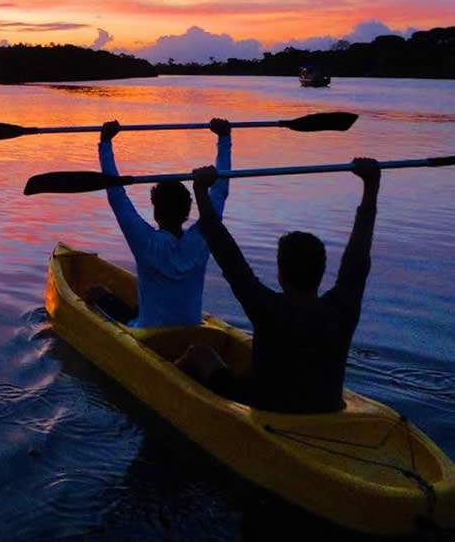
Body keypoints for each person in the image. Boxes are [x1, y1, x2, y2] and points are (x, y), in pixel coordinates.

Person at [177, 157, 382, 413]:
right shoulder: (342, 308)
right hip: (326, 408)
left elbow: (226, 253)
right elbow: (358, 255)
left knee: (201, 354)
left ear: (281, 273)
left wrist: (200, 191)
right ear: (321, 272)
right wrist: (371, 185)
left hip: (270, 410)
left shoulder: (267, 308)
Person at [90, 117, 232, 327]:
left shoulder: (145, 243)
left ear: (155, 213)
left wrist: (105, 142)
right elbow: (220, 191)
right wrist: (224, 138)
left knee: (95, 292)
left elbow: (116, 195)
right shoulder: (202, 239)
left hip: (148, 337)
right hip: (192, 330)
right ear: (186, 213)